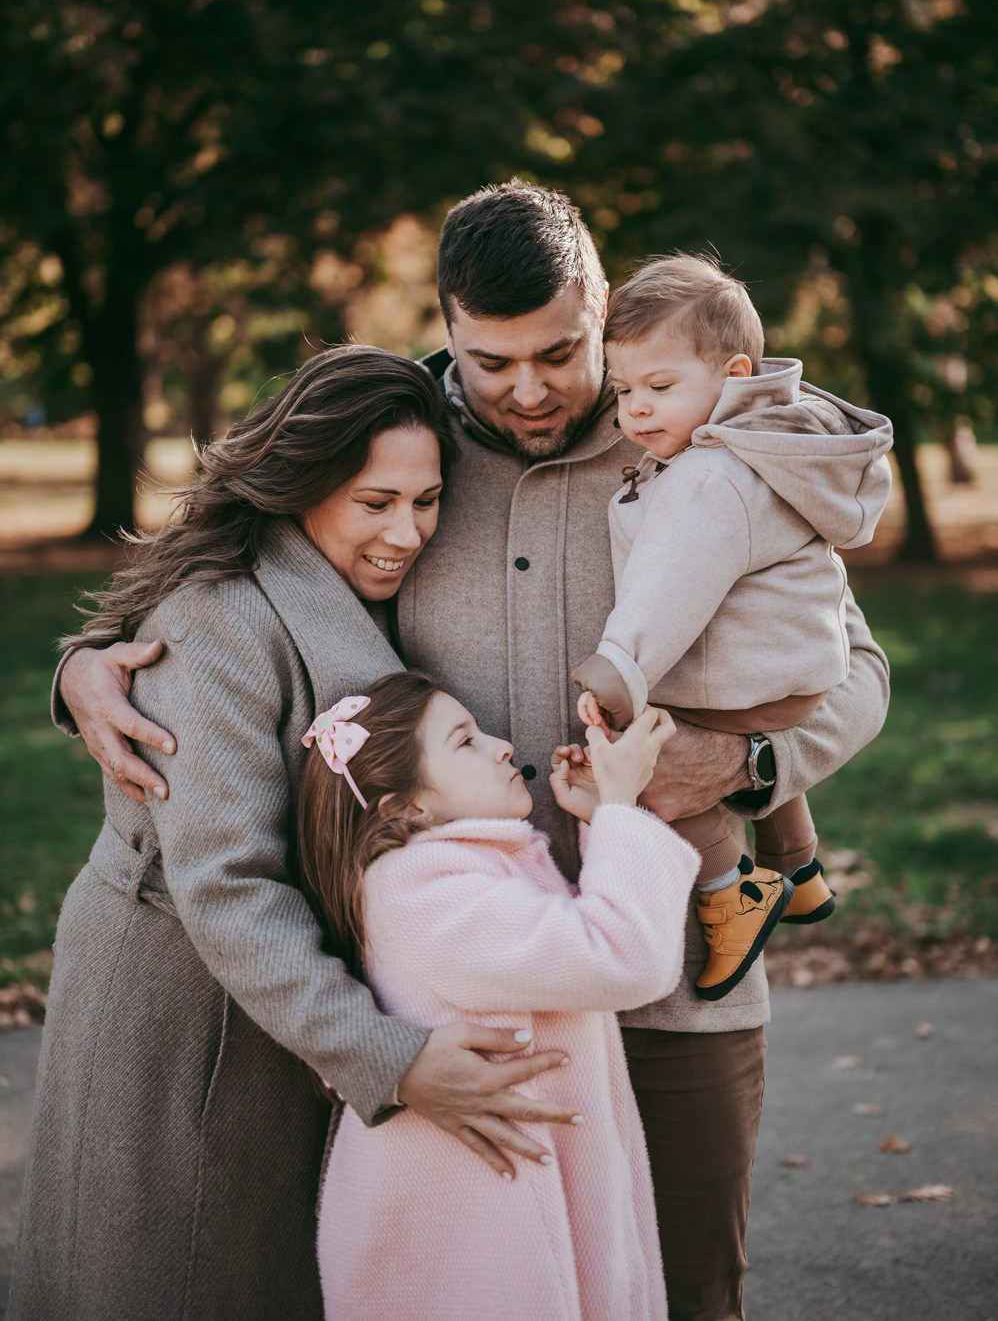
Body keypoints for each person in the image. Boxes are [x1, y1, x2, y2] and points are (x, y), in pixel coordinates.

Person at [53, 182, 891, 1321]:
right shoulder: (397, 448)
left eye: (557, 352)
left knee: (684, 1289)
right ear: (446, 331)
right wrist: (88, 660)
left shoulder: (701, 443)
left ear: (601, 309)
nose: (527, 388)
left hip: (673, 976)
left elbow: (855, 670)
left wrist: (748, 772)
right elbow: (228, 573)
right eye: (490, 361)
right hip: (457, 996)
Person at [10, 347, 582, 1321]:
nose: (407, 531)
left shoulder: (350, 584)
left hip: (281, 1006)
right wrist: (387, 1056)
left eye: (425, 499)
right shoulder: (223, 620)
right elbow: (229, 885)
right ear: (302, 485)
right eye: (374, 503)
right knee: (175, 1276)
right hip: (187, 1013)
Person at [297, 672, 699, 1320]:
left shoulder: (478, 868)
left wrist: (602, 821)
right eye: (466, 741)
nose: (504, 746)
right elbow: (620, 958)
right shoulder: (422, 890)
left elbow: (574, 952)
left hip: (522, 1189)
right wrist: (624, 805)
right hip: (476, 1226)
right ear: (405, 807)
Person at [572, 253, 893, 1000]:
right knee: (716, 726)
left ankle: (731, 891)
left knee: (646, 762)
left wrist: (619, 668)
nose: (636, 413)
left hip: (747, 685)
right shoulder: (768, 448)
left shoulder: (710, 478)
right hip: (793, 675)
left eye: (659, 388)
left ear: (733, 371)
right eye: (623, 392)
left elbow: (667, 590)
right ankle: (802, 871)